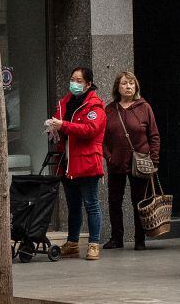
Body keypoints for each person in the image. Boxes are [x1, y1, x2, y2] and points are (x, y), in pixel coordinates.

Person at [47, 66, 106, 261]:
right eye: (73, 79)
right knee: (73, 205)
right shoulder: (65, 103)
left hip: (87, 162)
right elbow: (62, 125)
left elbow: (90, 130)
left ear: (88, 84)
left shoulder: (95, 106)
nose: (74, 83)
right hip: (67, 163)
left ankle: (94, 243)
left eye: (79, 80)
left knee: (91, 205)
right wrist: (53, 128)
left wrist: (63, 125)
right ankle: (72, 243)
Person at [102, 71, 160, 251]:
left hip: (140, 162)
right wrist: (108, 156)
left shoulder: (144, 107)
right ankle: (116, 238)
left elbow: (154, 136)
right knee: (114, 201)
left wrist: (154, 160)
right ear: (117, 88)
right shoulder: (110, 109)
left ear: (136, 87)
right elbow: (102, 138)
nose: (128, 87)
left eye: (131, 83)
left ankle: (139, 239)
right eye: (124, 83)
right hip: (116, 163)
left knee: (139, 201)